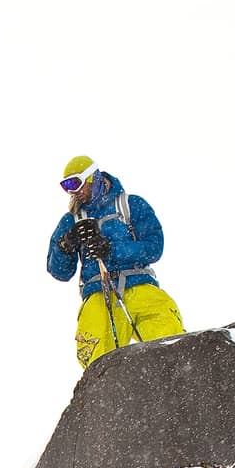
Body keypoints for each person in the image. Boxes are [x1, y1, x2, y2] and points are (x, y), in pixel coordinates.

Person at [47, 156, 185, 368]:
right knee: (95, 357)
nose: (74, 192)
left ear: (94, 177)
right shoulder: (71, 220)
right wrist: (66, 246)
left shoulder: (130, 205)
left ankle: (172, 385)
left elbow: (155, 247)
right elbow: (59, 272)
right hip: (98, 294)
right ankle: (107, 395)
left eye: (77, 184)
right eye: (67, 188)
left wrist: (111, 250)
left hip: (139, 285)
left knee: (169, 341)